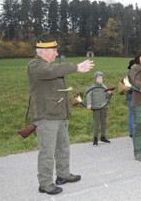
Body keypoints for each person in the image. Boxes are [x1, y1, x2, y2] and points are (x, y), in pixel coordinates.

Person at [27, 34, 94, 195]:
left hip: (59, 115)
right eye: (54, 51)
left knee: (63, 148)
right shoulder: (35, 65)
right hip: (46, 117)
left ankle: (63, 175)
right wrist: (76, 67)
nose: (57, 54)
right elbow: (52, 71)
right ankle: (45, 183)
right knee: (47, 153)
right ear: (44, 51)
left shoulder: (50, 67)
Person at [86, 71, 112, 146]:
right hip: (96, 107)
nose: (101, 79)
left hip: (104, 107)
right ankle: (95, 139)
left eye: (102, 78)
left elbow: (107, 97)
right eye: (99, 78)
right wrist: (89, 103)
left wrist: (109, 94)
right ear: (95, 79)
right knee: (96, 123)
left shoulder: (104, 87)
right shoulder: (92, 87)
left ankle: (103, 137)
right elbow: (88, 95)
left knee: (103, 123)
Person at [126, 60, 135, 137]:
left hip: (132, 96)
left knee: (133, 114)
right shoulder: (130, 75)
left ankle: (133, 131)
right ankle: (132, 132)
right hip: (131, 96)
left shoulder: (131, 73)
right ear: (132, 66)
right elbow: (129, 87)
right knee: (132, 114)